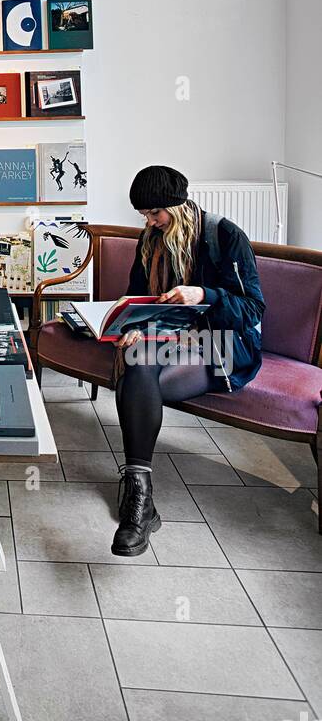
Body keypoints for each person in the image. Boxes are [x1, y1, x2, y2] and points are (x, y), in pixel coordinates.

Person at [111, 165, 264, 557]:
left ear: (178, 205)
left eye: (155, 213)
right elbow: (138, 297)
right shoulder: (150, 240)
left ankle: (138, 504)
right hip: (168, 340)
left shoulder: (224, 236)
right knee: (137, 356)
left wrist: (204, 295)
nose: (149, 222)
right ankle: (140, 498)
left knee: (135, 377)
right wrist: (133, 325)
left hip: (222, 346)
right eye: (144, 215)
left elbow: (252, 310)